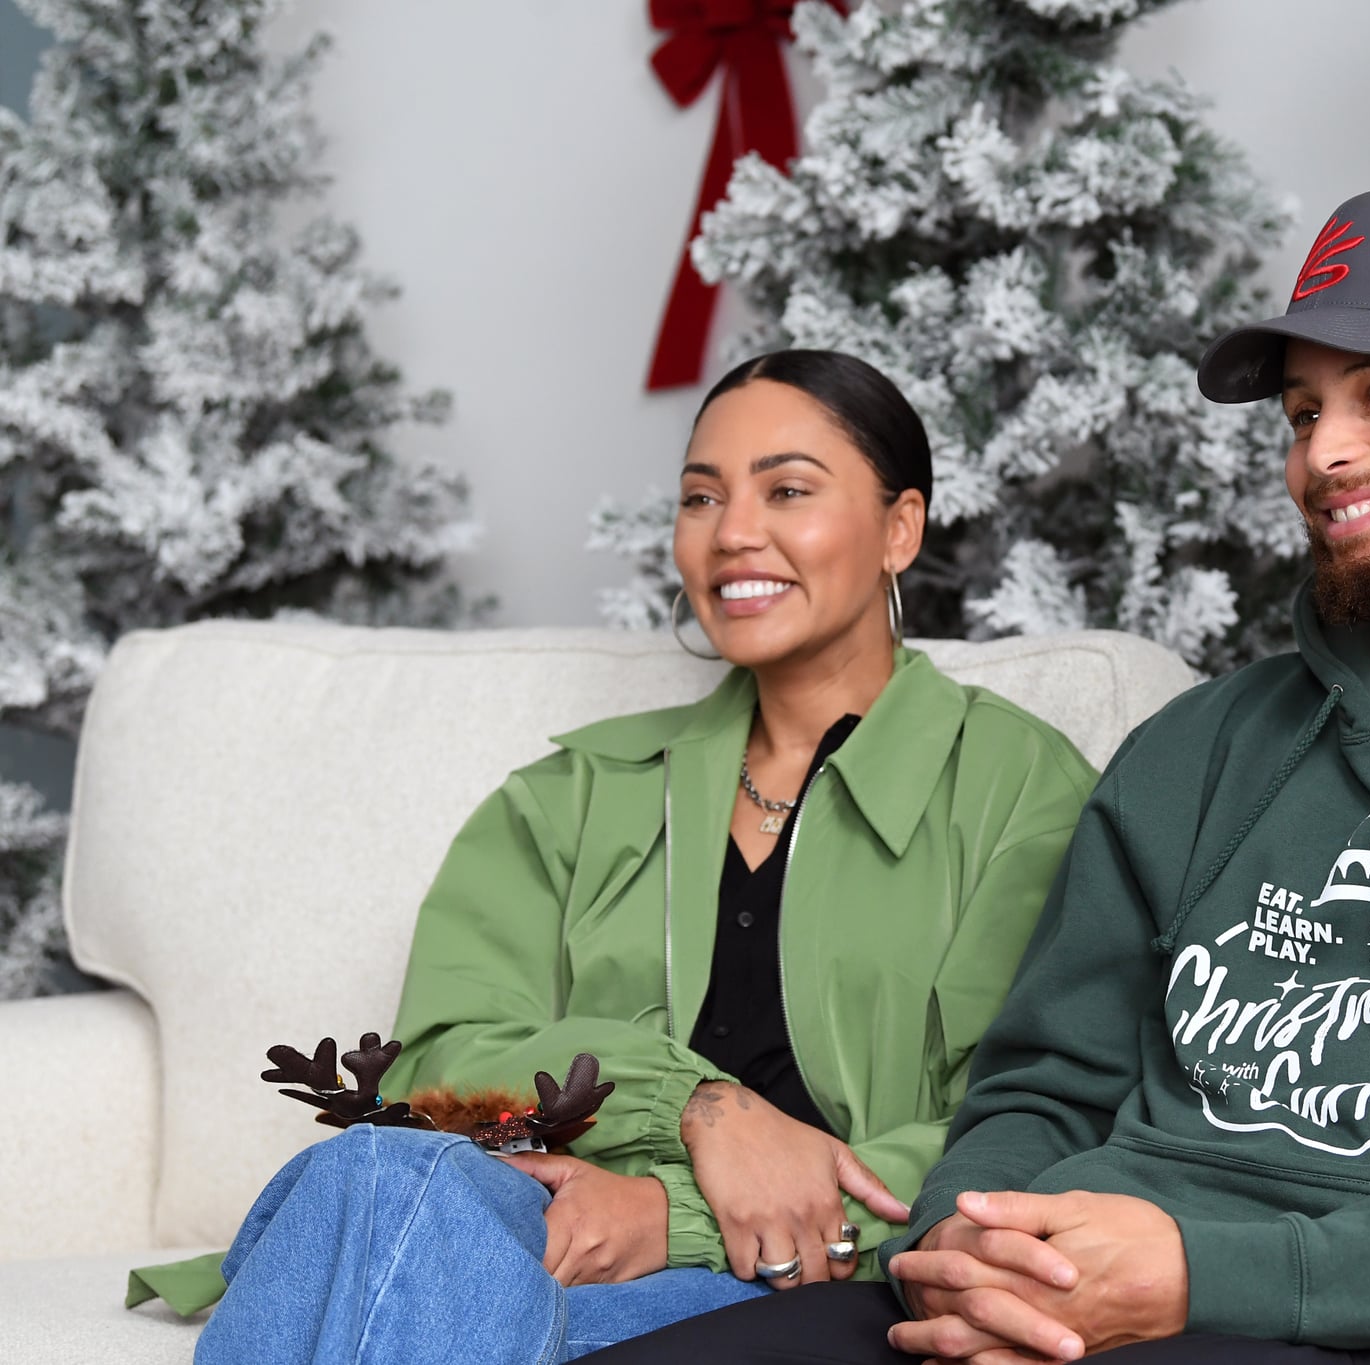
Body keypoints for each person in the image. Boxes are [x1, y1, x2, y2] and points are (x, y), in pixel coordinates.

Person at [585, 187, 1370, 1365]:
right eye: (1304, 414)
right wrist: (962, 1247)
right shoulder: (1206, 747)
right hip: (1074, 1303)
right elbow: (1044, 1084)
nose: (1323, 454)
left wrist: (1201, 1273)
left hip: (1357, 1328)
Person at [174, 349, 1099, 1363]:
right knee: (380, 1178)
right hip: (522, 1240)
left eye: (787, 489)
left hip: (804, 1287)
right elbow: (442, 1060)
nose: (733, 532)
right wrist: (696, 1106)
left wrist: (673, 1216)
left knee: (389, 1265)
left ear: (899, 528)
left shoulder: (1015, 788)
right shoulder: (572, 795)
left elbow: (1027, 1122)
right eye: (700, 497)